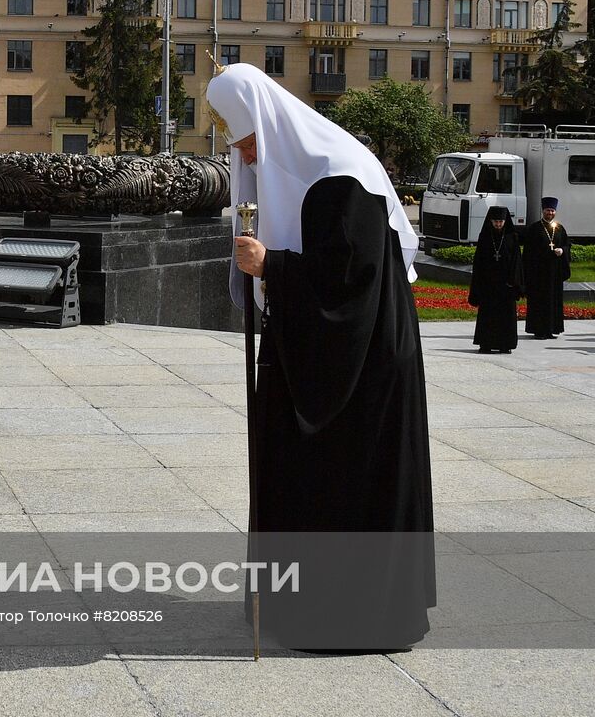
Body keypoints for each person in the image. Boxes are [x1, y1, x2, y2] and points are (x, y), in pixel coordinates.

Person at [207, 62, 434, 650]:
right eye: (240, 149)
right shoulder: (302, 168)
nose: (250, 159)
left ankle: (350, 617)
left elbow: (348, 287)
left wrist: (272, 267)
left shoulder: (339, 173)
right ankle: (291, 600)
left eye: (252, 143)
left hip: (363, 363)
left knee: (345, 482)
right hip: (320, 349)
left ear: (271, 125)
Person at [469, 206, 523, 354]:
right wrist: (480, 282)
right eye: (495, 221)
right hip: (489, 285)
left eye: (501, 221)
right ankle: (486, 344)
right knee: (488, 315)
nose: (498, 224)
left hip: (506, 285)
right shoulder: (485, 236)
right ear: (490, 221)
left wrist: (513, 280)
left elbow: (517, 261)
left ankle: (505, 344)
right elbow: (479, 262)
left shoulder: (512, 237)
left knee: (506, 316)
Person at [522, 196, 571, 340]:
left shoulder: (560, 229)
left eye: (552, 211)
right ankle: (539, 330)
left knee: (553, 301)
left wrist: (562, 250)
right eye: (547, 210)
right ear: (543, 211)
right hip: (538, 273)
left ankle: (552, 329)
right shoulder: (534, 229)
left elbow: (567, 245)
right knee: (539, 301)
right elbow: (528, 252)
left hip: (555, 273)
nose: (550, 213)